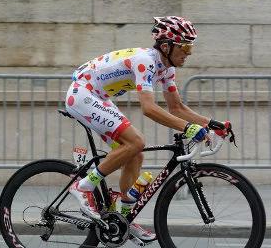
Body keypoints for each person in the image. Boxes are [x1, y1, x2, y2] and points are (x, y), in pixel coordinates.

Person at [65, 16, 226, 243]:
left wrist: (210, 124)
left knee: (135, 153)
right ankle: (83, 187)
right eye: (185, 46)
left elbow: (176, 107)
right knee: (136, 141)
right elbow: (148, 109)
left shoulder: (167, 69)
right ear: (166, 46)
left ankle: (122, 218)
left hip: (98, 97)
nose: (189, 52)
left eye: (191, 46)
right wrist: (189, 129)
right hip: (82, 94)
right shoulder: (145, 61)